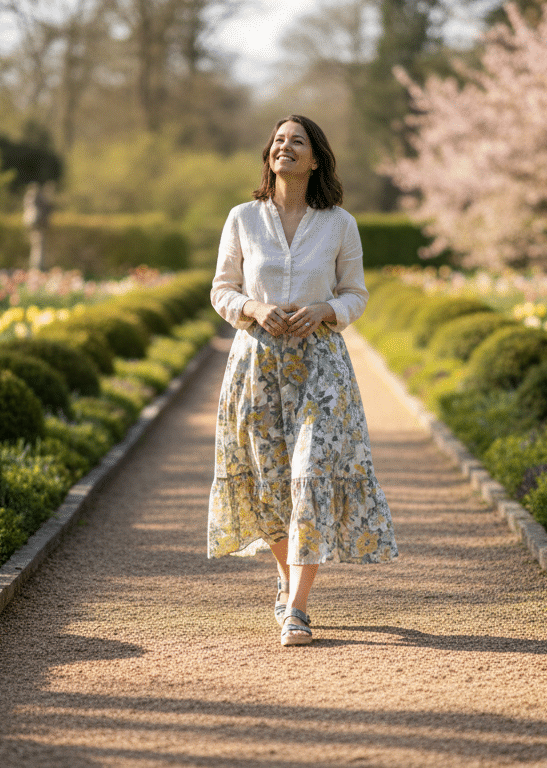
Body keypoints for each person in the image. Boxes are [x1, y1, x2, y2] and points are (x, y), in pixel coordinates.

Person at [208, 114, 398, 648]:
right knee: (270, 482)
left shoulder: (340, 223)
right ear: (269, 156)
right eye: (277, 141)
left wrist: (324, 310)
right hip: (256, 367)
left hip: (321, 368)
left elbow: (356, 294)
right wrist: (253, 306)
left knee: (310, 473)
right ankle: (286, 577)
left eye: (297, 141)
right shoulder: (243, 218)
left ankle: (297, 608)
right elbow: (221, 289)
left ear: (315, 159)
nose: (284, 147)